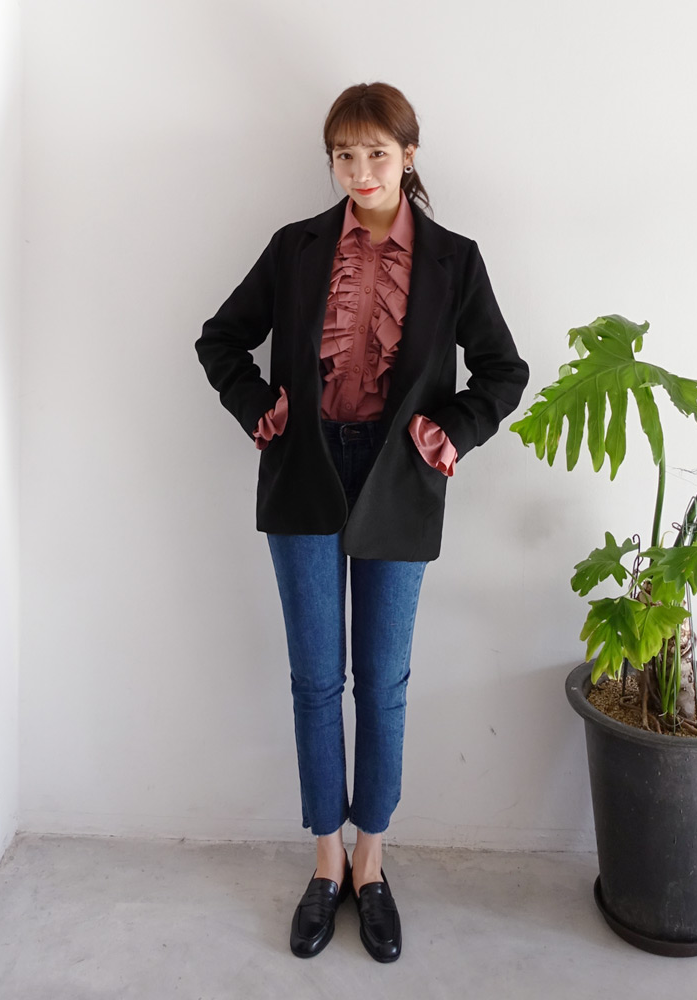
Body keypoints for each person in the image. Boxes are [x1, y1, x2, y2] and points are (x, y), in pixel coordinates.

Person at [194, 81, 529, 963]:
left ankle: (371, 864)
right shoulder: (296, 248)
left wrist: (454, 431)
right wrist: (258, 406)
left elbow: (503, 370)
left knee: (382, 682)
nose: (359, 169)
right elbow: (219, 339)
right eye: (344, 154)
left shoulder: (455, 260)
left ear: (409, 156)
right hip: (304, 472)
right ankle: (325, 862)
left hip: (399, 479)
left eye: (376, 152)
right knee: (316, 681)